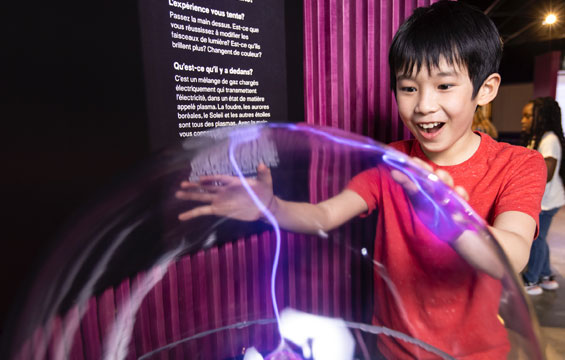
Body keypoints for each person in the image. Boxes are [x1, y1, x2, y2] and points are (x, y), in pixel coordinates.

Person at [176, 1, 546, 359]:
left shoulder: (518, 164)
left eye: (444, 86)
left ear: (487, 88)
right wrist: (268, 206)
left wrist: (452, 221)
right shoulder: (392, 161)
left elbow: (510, 257)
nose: (424, 105)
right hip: (390, 348)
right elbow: (323, 216)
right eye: (408, 87)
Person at [521, 97, 565, 295]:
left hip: (547, 202)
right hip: (544, 200)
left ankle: (532, 280)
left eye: (529, 116)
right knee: (542, 238)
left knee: (536, 239)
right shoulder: (537, 138)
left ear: (542, 118)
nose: (524, 120)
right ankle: (546, 275)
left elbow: (546, 172)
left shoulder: (549, 139)